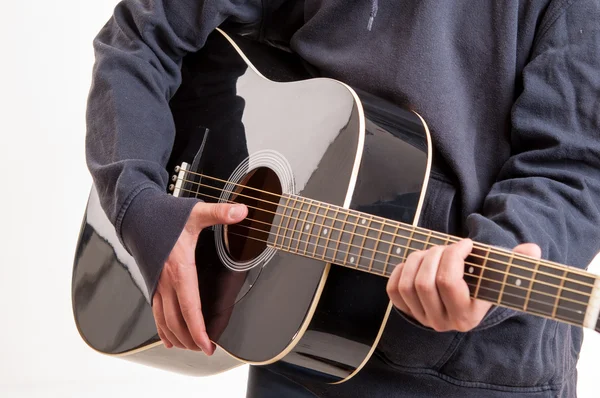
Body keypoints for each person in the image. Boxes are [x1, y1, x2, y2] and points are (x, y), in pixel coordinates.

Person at [85, 0, 600, 396]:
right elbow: (142, 35)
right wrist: (139, 204)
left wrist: (494, 267)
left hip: (475, 373)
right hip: (293, 344)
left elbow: (575, 164)